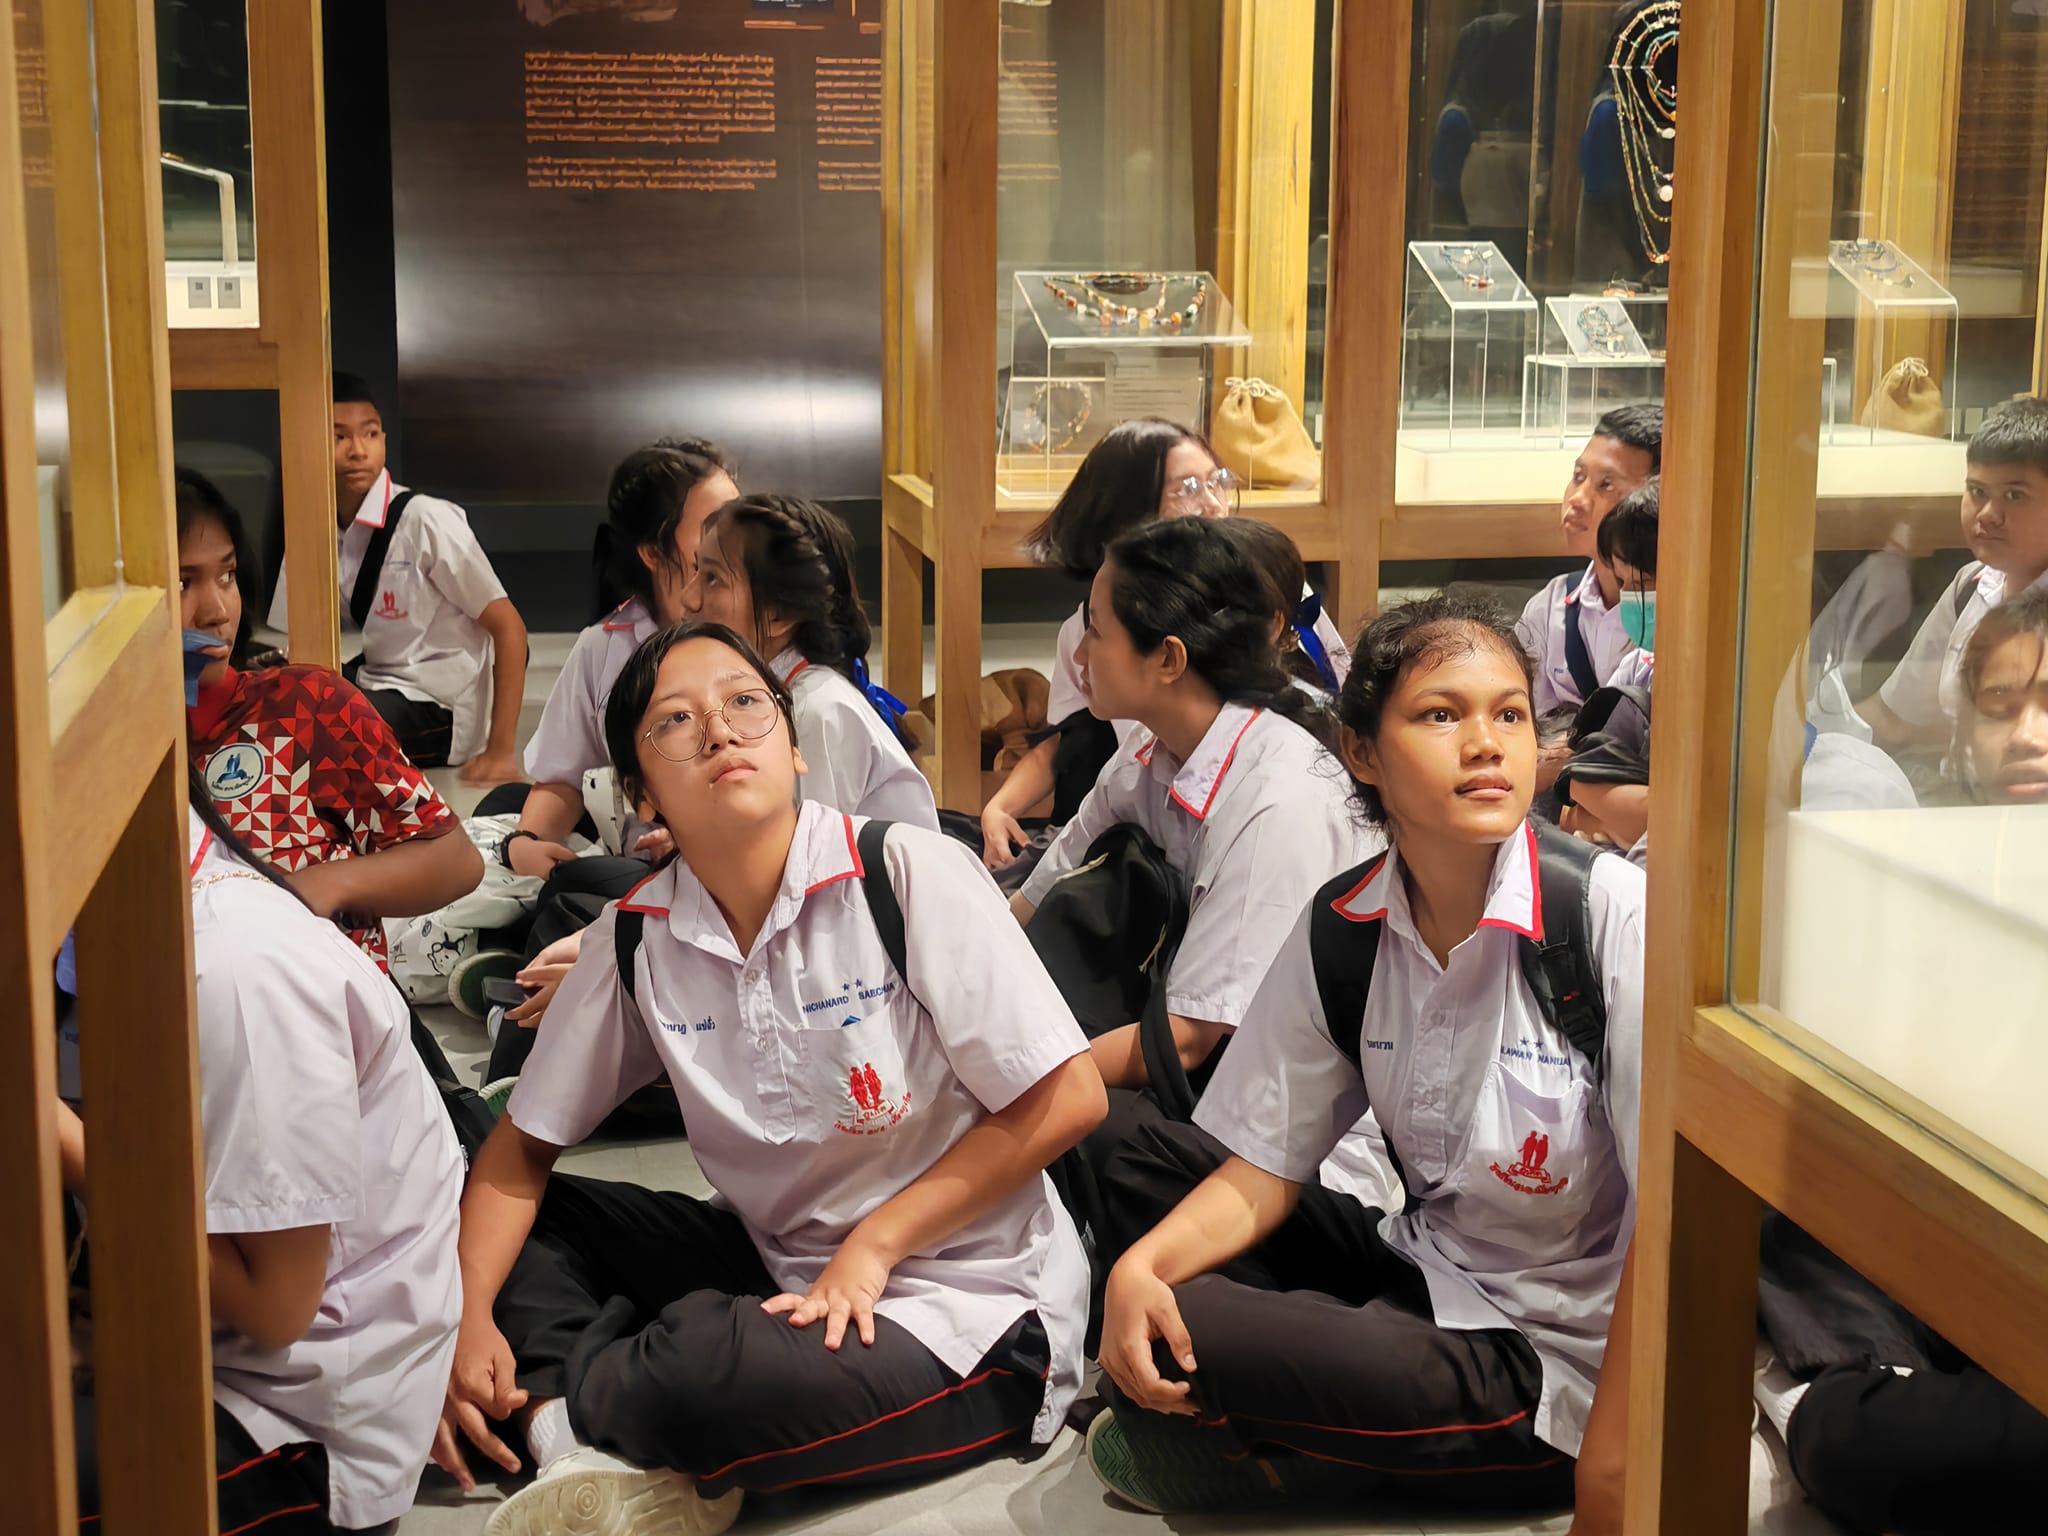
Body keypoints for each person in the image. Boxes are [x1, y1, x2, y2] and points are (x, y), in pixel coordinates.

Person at [432, 623, 1105, 1534]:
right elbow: (520, 1154)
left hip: (967, 1303)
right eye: (676, 720)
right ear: (640, 792)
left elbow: (1069, 1097)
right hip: (775, 1262)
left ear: (793, 747)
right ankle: (570, 1440)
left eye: (745, 703)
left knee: (709, 1373)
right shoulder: (638, 934)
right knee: (480, 1197)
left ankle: (561, 1405)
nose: (719, 730)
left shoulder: (904, 873)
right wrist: (467, 1316)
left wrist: (875, 1246)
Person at [1088, 593, 1644, 1531]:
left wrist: (1613, 1479)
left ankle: (1303, 1436)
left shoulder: (1609, 918)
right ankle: (1318, 1412)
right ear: (1362, 752)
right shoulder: (1346, 925)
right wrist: (1136, 1271)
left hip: (1555, 1357)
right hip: (1425, 1268)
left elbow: (1678, 1233)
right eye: (1442, 714)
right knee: (1125, 1150)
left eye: (1511, 714)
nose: (1487, 744)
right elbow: (1264, 1166)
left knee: (1202, 1325)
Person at [67, 782, 464, 1533]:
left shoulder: (237, 964)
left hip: (293, 1425)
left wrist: (61, 1139)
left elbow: (276, 1307)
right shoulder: (157, 918)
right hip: (193, 1343)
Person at [1010, 517, 1379, 1100]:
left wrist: (1003, 1071)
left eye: (1096, 632)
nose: (1079, 653)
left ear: (1168, 659)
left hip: (1278, 1114)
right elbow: (1029, 905)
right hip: (1185, 1063)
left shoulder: (1281, 800)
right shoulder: (1149, 749)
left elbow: (1185, 1040)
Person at [983, 420, 1348, 871]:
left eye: (1217, 481)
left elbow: (1339, 690)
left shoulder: (1282, 592)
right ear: (1128, 515)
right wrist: (1001, 805)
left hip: (1255, 821)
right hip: (1142, 844)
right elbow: (1077, 742)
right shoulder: (1099, 640)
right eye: (1188, 489)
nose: (1214, 504)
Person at [179, 469, 482, 968]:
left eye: (227, 576)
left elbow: (455, 861)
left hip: (331, 999)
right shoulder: (108, 753)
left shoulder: (305, 707)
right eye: (182, 582)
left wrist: (322, 885)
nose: (216, 611)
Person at [268, 372, 528, 782]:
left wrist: (500, 751)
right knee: (264, 695)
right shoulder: (313, 524)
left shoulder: (427, 519)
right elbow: (301, 643)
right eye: (339, 437)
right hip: (373, 678)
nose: (358, 451)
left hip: (436, 703)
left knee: (320, 728)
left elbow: (510, 628)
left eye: (370, 434)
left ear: (384, 441)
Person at [689, 492, 939, 829]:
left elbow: (808, 855)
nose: (688, 598)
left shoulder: (814, 711)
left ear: (779, 613)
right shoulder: (779, 694)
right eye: (696, 570)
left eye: (712, 578)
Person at [1859, 396, 2048, 766]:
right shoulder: (1971, 585)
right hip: (1960, 793)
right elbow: (1894, 718)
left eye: (2014, 495)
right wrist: (1805, 742)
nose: (1988, 514)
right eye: (1977, 491)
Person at [1515, 403, 1662, 719]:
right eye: (1578, 477)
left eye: (1606, 484)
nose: (1577, 498)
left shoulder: (1667, 617)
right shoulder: (1548, 608)